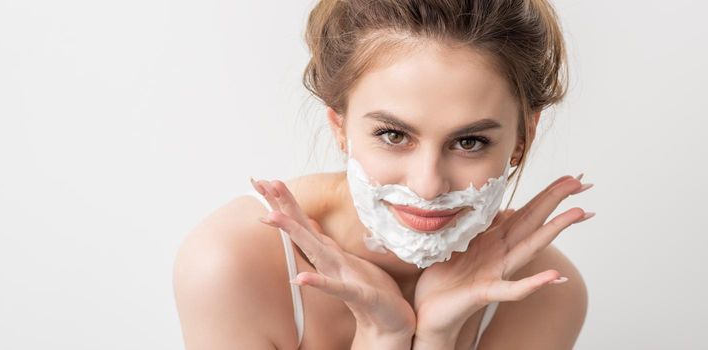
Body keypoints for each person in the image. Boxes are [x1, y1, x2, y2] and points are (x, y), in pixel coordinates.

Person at [174, 0, 593, 349]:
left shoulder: (542, 294)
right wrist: (382, 336)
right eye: (394, 135)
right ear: (340, 126)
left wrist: (436, 337)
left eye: (469, 142)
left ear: (523, 138)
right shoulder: (232, 264)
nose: (428, 186)